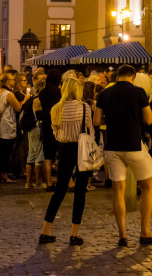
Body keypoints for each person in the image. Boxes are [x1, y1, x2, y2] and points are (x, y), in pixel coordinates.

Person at [95, 64, 152, 246]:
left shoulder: (105, 94)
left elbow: (96, 120)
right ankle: (145, 232)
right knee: (148, 186)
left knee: (118, 190)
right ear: (133, 77)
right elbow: (149, 119)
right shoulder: (139, 92)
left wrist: (110, 118)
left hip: (112, 146)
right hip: (133, 145)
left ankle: (122, 235)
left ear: (117, 77)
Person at [40, 77, 94, 245]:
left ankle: (46, 230)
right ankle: (74, 233)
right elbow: (90, 131)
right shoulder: (84, 107)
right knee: (80, 193)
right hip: (81, 149)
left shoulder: (56, 108)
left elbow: (55, 131)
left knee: (59, 191)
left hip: (64, 149)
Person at [0, 72, 24, 183]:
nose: (13, 81)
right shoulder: (8, 94)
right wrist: (26, 99)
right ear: (7, 81)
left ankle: (1, 174)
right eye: (12, 79)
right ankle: (4, 175)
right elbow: (18, 108)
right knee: (6, 152)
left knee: (0, 152)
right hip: (7, 125)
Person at [38, 70, 63, 191]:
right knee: (61, 154)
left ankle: (48, 182)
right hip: (58, 125)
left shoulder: (42, 92)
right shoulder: (60, 92)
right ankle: (62, 181)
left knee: (47, 156)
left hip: (46, 125)